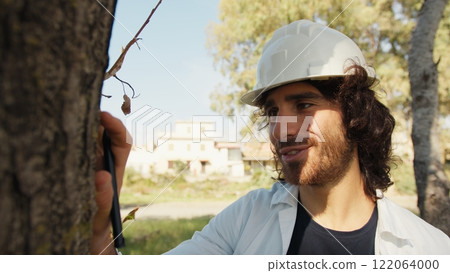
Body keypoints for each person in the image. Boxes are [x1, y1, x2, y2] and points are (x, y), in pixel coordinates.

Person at [92, 20, 450, 255]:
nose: (283, 129)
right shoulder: (246, 220)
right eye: (274, 112)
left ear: (356, 113)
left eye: (304, 104)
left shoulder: (429, 250)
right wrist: (98, 235)